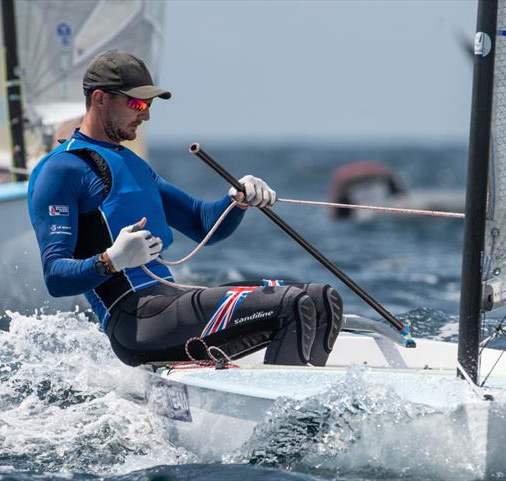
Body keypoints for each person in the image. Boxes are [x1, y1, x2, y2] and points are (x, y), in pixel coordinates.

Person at [27, 50, 342, 367]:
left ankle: (309, 408)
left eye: (149, 105)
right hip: (135, 319)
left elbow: (202, 223)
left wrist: (237, 200)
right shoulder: (63, 169)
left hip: (171, 301)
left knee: (322, 300)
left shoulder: (133, 164)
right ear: (100, 99)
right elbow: (55, 277)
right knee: (293, 305)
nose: (146, 114)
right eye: (137, 103)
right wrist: (112, 260)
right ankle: (289, 414)